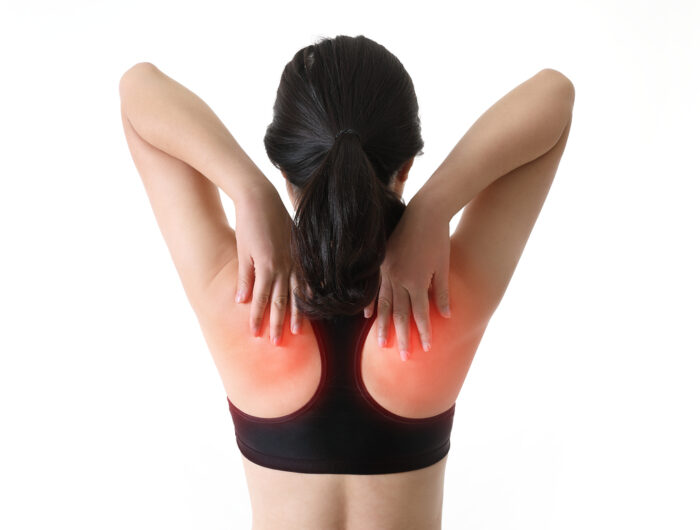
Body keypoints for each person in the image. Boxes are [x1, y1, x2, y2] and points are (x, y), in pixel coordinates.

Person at [119, 34, 574, 530]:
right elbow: (554, 95)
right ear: (406, 166)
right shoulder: (443, 297)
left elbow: (138, 89)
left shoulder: (242, 292)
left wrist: (248, 190)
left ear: (283, 166)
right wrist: (435, 206)